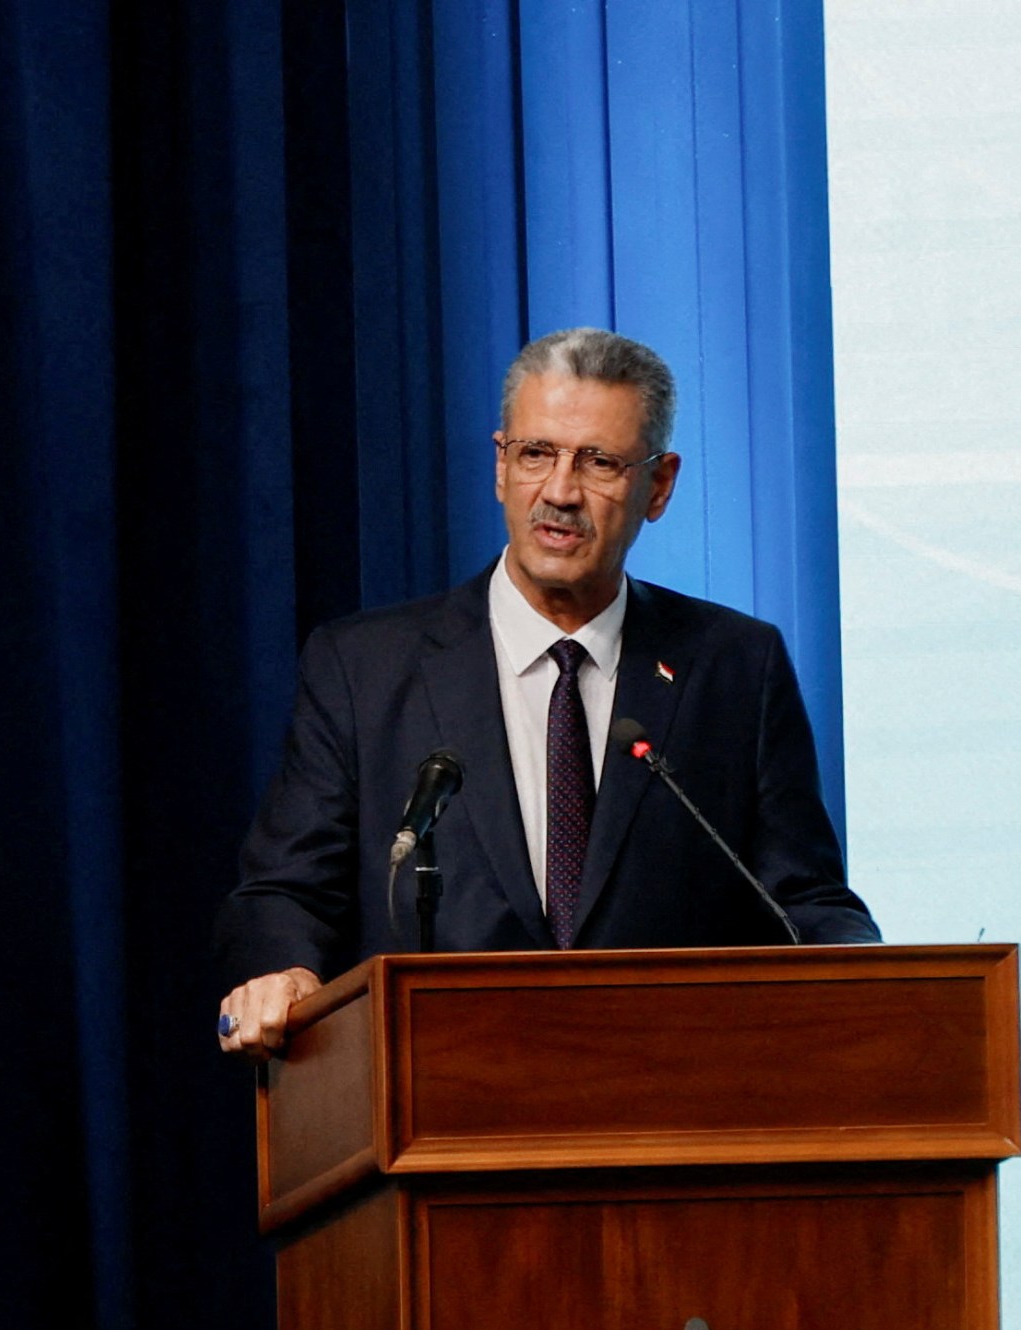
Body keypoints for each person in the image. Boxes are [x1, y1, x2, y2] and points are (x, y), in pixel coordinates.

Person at [215, 327, 878, 1058]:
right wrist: (284, 972)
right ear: (501, 465)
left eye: (598, 462)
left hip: (670, 1088)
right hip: (437, 1088)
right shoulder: (363, 668)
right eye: (537, 454)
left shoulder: (735, 666)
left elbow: (802, 901)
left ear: (659, 486)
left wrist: (884, 987)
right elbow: (286, 891)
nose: (560, 493)